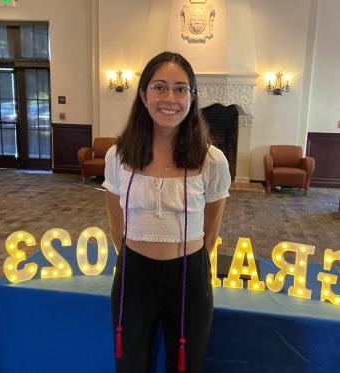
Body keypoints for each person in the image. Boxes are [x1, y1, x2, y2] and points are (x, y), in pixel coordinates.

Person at [103, 51, 231, 373]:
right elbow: (116, 221)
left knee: (187, 365)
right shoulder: (118, 155)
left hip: (190, 276)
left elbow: (211, 232)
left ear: (192, 97)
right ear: (144, 95)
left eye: (180, 89)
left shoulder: (212, 160)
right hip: (134, 274)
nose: (169, 98)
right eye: (159, 87)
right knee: (131, 364)